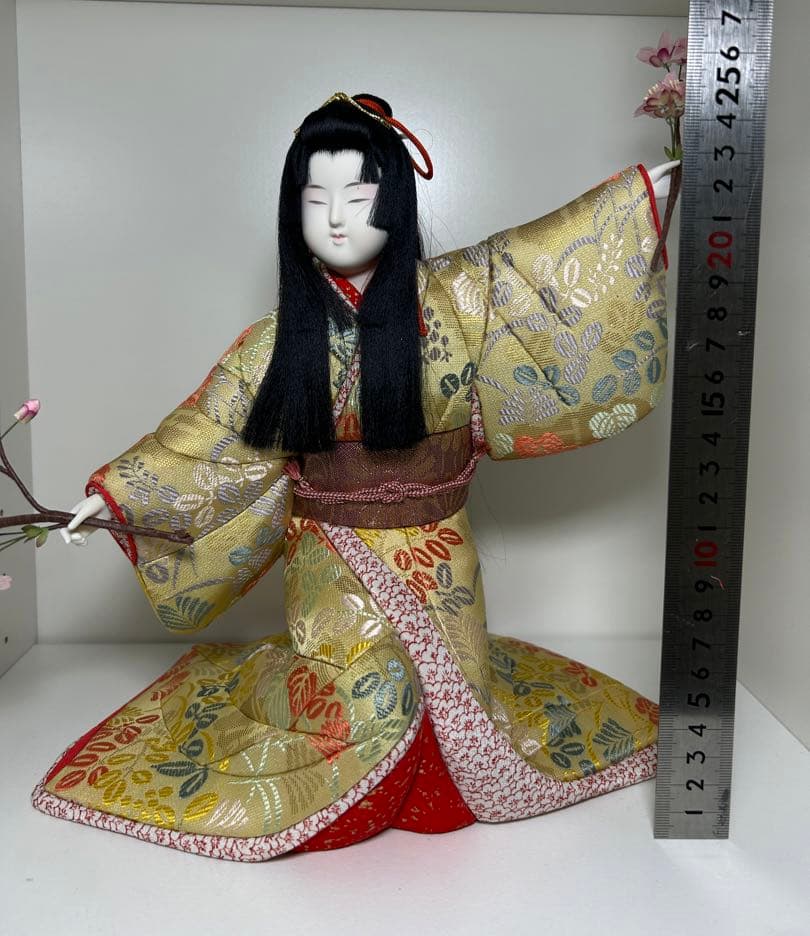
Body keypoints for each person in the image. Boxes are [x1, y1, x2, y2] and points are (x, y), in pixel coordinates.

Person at [34, 91, 675, 860]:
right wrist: (116, 497)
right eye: (315, 199)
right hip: (332, 561)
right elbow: (205, 434)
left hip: (441, 548)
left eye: (358, 195)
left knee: (460, 686)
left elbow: (545, 263)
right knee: (365, 693)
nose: (336, 218)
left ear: (395, 201)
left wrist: (641, 202)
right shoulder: (279, 342)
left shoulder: (463, 302)